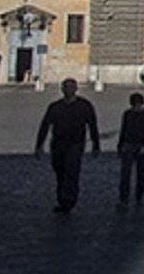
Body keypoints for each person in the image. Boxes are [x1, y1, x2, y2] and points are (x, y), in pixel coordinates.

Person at [35, 78, 101, 214]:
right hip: (58, 144)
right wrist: (39, 145)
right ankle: (61, 199)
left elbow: (93, 125)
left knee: (71, 173)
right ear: (62, 90)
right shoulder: (55, 107)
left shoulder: (84, 106)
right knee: (60, 172)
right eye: (66, 88)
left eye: (71, 88)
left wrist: (96, 144)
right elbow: (45, 126)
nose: (69, 91)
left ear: (76, 89)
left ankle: (69, 201)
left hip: (75, 144)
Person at [117, 92, 144, 207]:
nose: (136, 108)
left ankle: (139, 196)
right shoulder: (128, 114)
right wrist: (120, 145)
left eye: (137, 106)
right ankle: (123, 199)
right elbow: (123, 130)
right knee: (125, 174)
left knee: (141, 174)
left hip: (141, 146)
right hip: (128, 145)